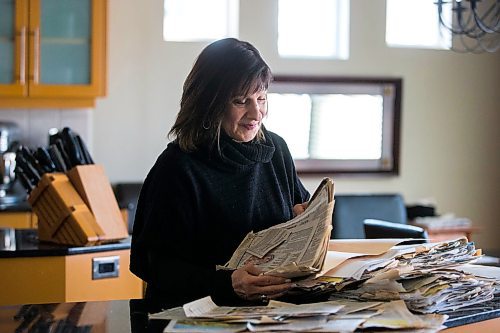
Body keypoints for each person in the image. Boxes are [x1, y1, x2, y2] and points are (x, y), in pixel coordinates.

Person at [130, 38, 310, 312]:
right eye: (241, 101)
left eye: (261, 98)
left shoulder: (276, 150)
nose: (256, 113)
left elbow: (299, 207)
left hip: (270, 312)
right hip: (200, 315)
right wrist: (226, 283)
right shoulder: (178, 167)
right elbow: (153, 265)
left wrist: (308, 217)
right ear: (209, 104)